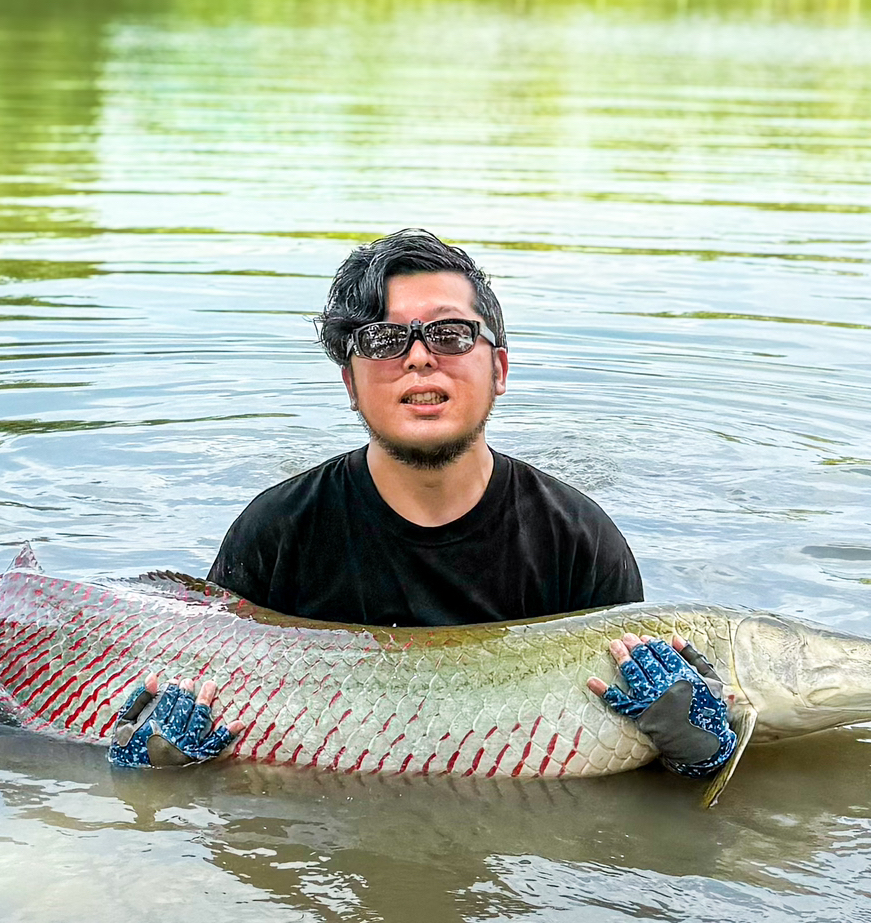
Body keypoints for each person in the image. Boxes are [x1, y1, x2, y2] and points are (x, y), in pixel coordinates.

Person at [108, 230, 736, 779]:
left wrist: (695, 752)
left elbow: (611, 742)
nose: (418, 356)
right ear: (350, 384)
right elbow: (206, 709)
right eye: (383, 340)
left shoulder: (579, 541)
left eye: (451, 333)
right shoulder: (277, 534)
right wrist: (160, 762)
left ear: (501, 369)